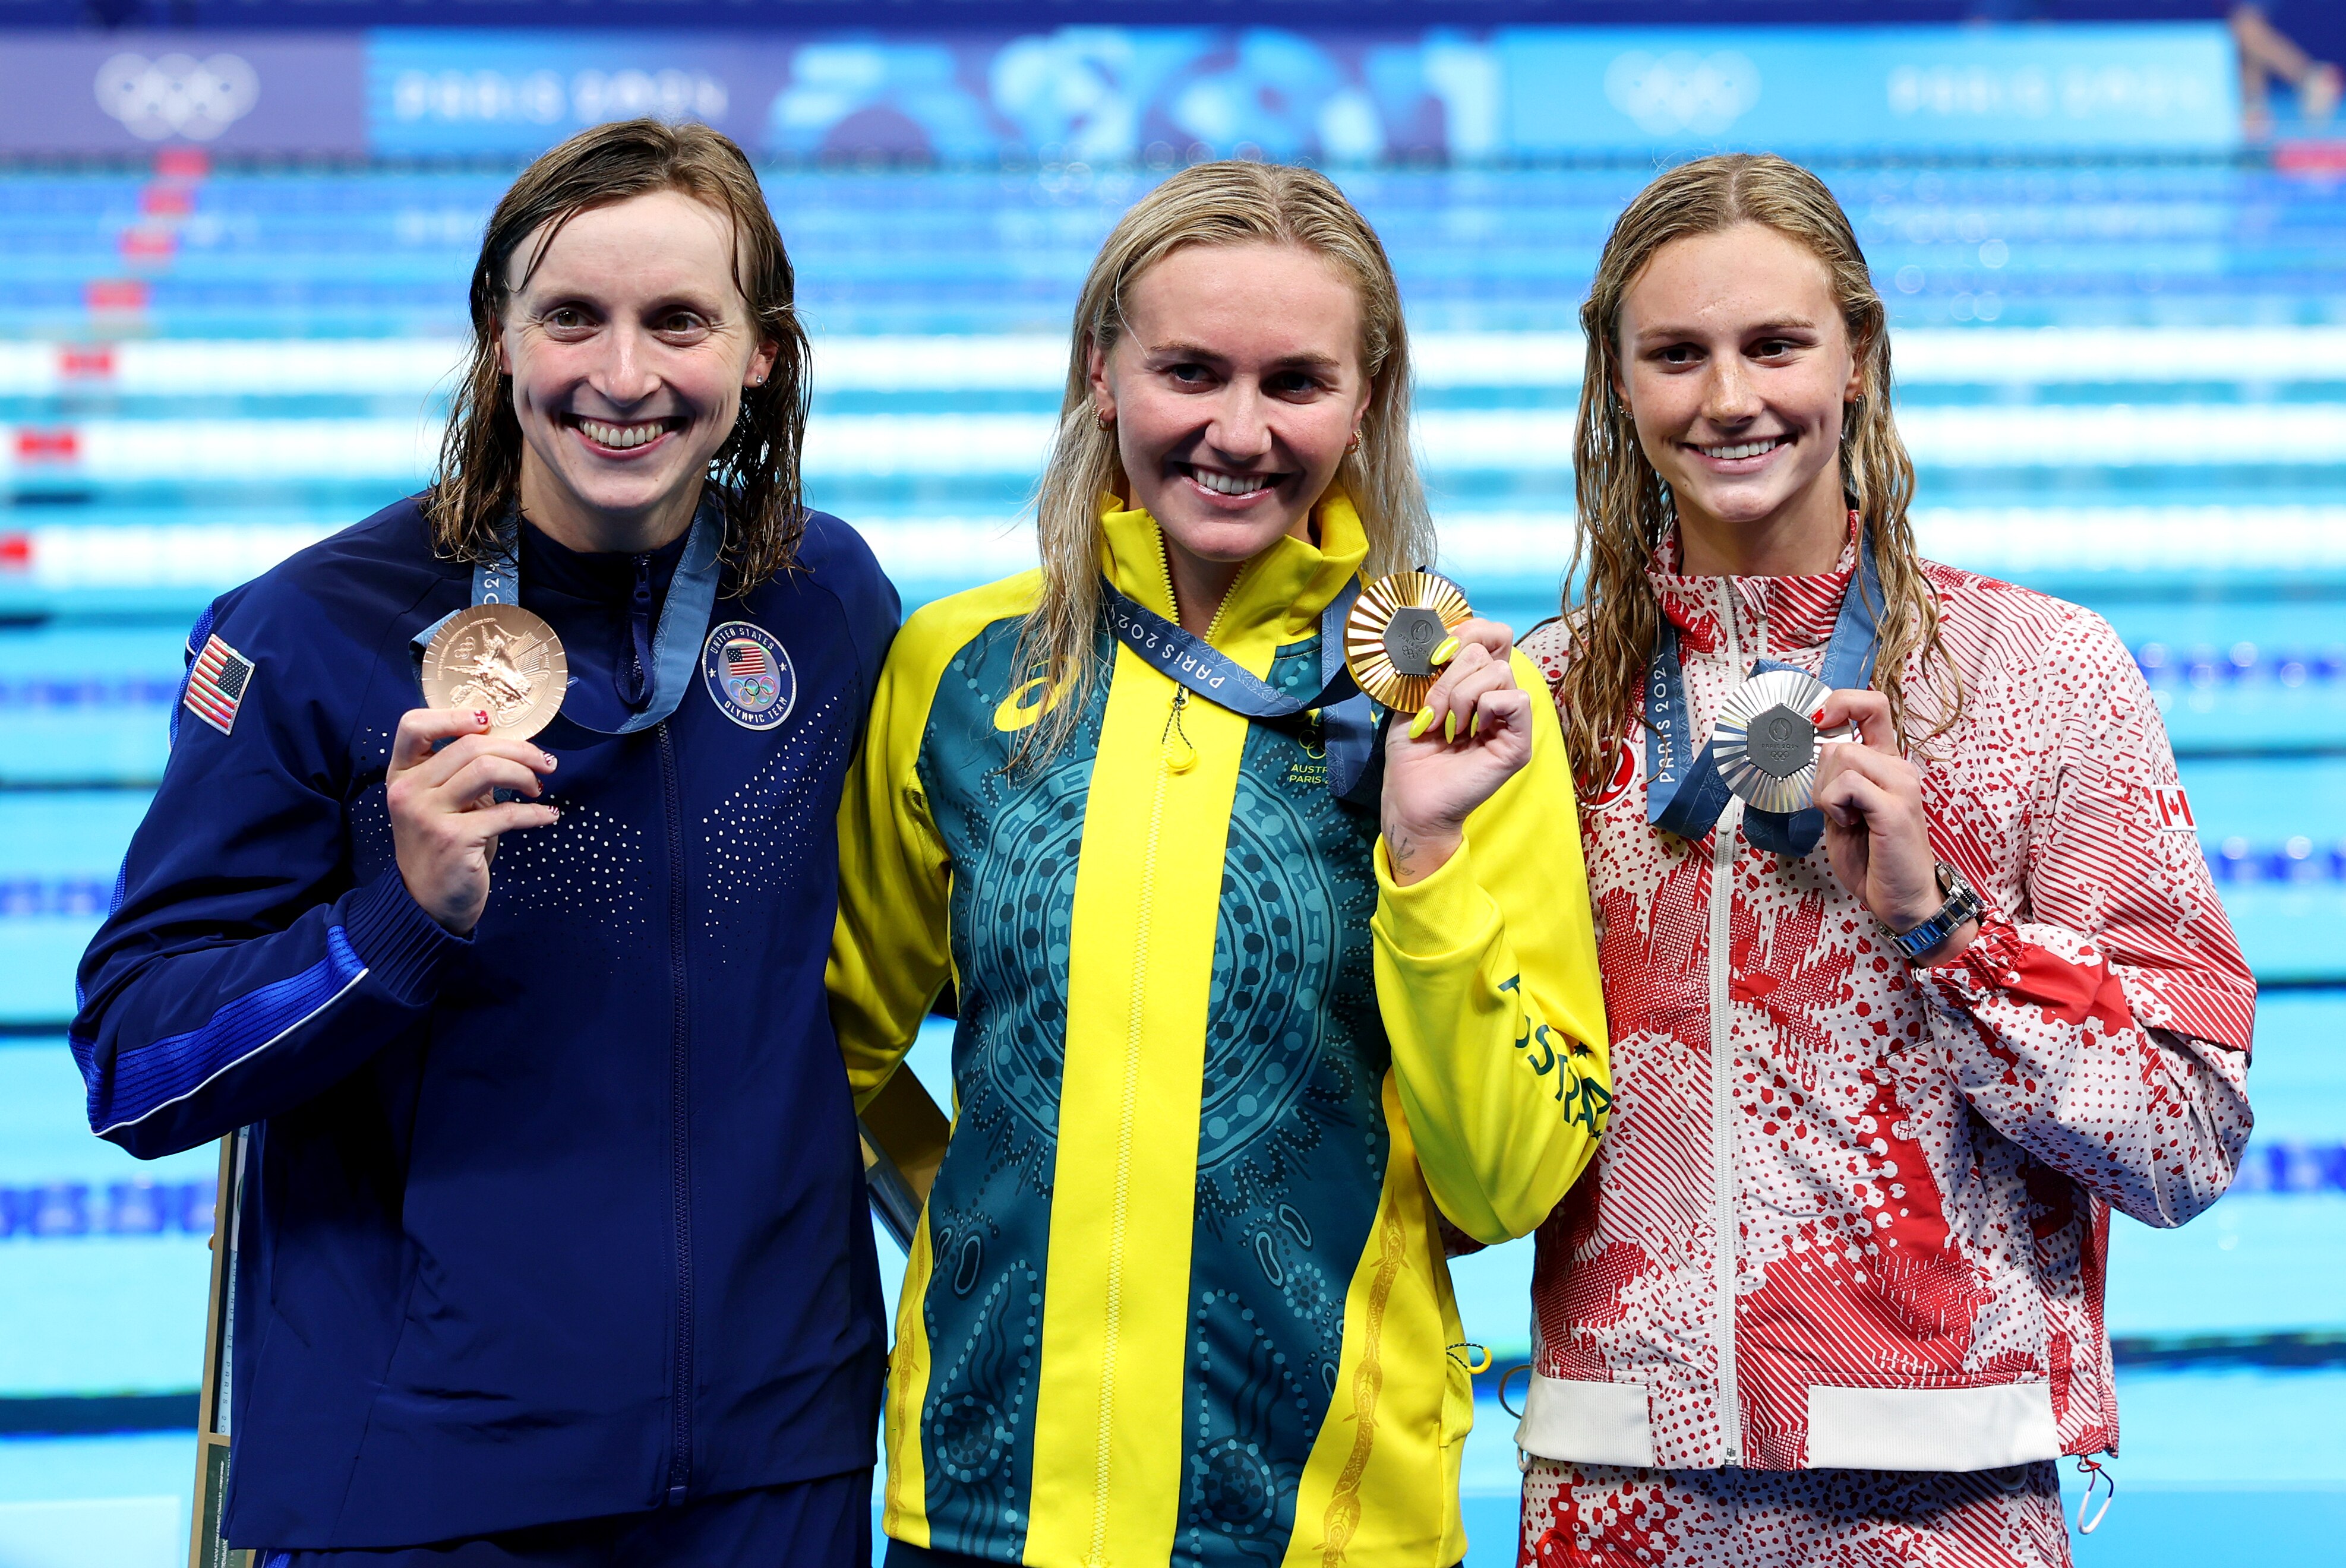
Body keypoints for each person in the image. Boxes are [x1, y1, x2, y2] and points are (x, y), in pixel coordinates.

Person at [71, 119, 896, 1563]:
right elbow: (136, 1066)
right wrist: (392, 919)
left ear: (760, 353)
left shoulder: (824, 601)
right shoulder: (313, 633)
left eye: (679, 322)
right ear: (497, 336)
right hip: (427, 1476)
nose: (623, 378)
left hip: (780, 1458)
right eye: (572, 316)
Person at [827, 162, 1611, 1568]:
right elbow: (832, 1052)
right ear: (1099, 373)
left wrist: (1424, 859)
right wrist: (979, 1213)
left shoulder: (1464, 711)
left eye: (1295, 383)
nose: (1236, 432)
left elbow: (1509, 1181)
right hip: (980, 1501)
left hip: (1324, 1524)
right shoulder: (957, 671)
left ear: (1364, 400)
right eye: (1188, 371)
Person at [1515, 152, 2257, 1564]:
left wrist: (1944, 931)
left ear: (1857, 357)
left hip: (1944, 1489)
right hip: (1616, 1481)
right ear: (1618, 386)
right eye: (1677, 354)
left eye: (1775, 345)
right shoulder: (1550, 706)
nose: (1728, 399)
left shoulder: (2035, 673)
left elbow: (2187, 1140)